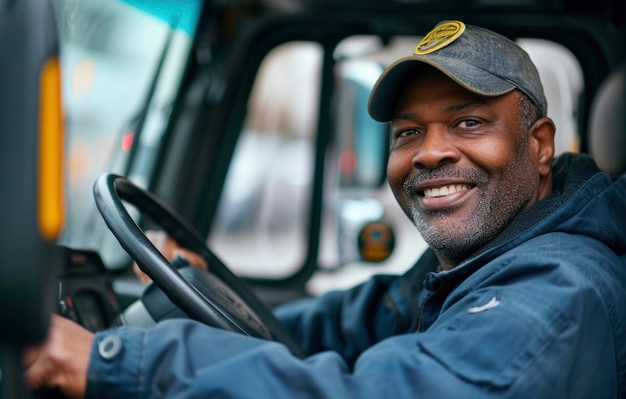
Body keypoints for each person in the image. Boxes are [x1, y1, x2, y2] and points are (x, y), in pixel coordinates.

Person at [24, 20, 626, 398]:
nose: (430, 153)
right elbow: (340, 325)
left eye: (468, 122)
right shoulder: (485, 258)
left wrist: (117, 362)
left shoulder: (557, 287)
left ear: (541, 145)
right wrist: (209, 288)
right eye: (407, 133)